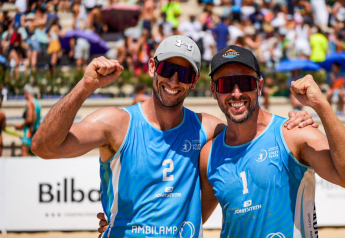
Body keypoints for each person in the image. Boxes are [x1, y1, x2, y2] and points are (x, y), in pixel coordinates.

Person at [32, 36, 316, 237]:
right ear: (153, 67)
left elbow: (256, 132)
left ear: (194, 82)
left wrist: (294, 120)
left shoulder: (209, 129)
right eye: (168, 69)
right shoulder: (117, 123)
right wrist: (85, 86)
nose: (174, 81)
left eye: (185, 73)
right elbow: (43, 147)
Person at [199, 45, 345, 237]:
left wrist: (321, 106)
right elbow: (192, 219)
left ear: (259, 86)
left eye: (245, 82)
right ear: (214, 91)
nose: (236, 93)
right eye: (225, 85)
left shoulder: (293, 134)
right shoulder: (209, 154)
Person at [15, 85, 41, 156]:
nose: (24, 96)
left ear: (26, 93)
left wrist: (20, 126)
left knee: (24, 153)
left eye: (24, 93)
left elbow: (29, 119)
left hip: (28, 134)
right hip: (36, 133)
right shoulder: (37, 103)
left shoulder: (29, 103)